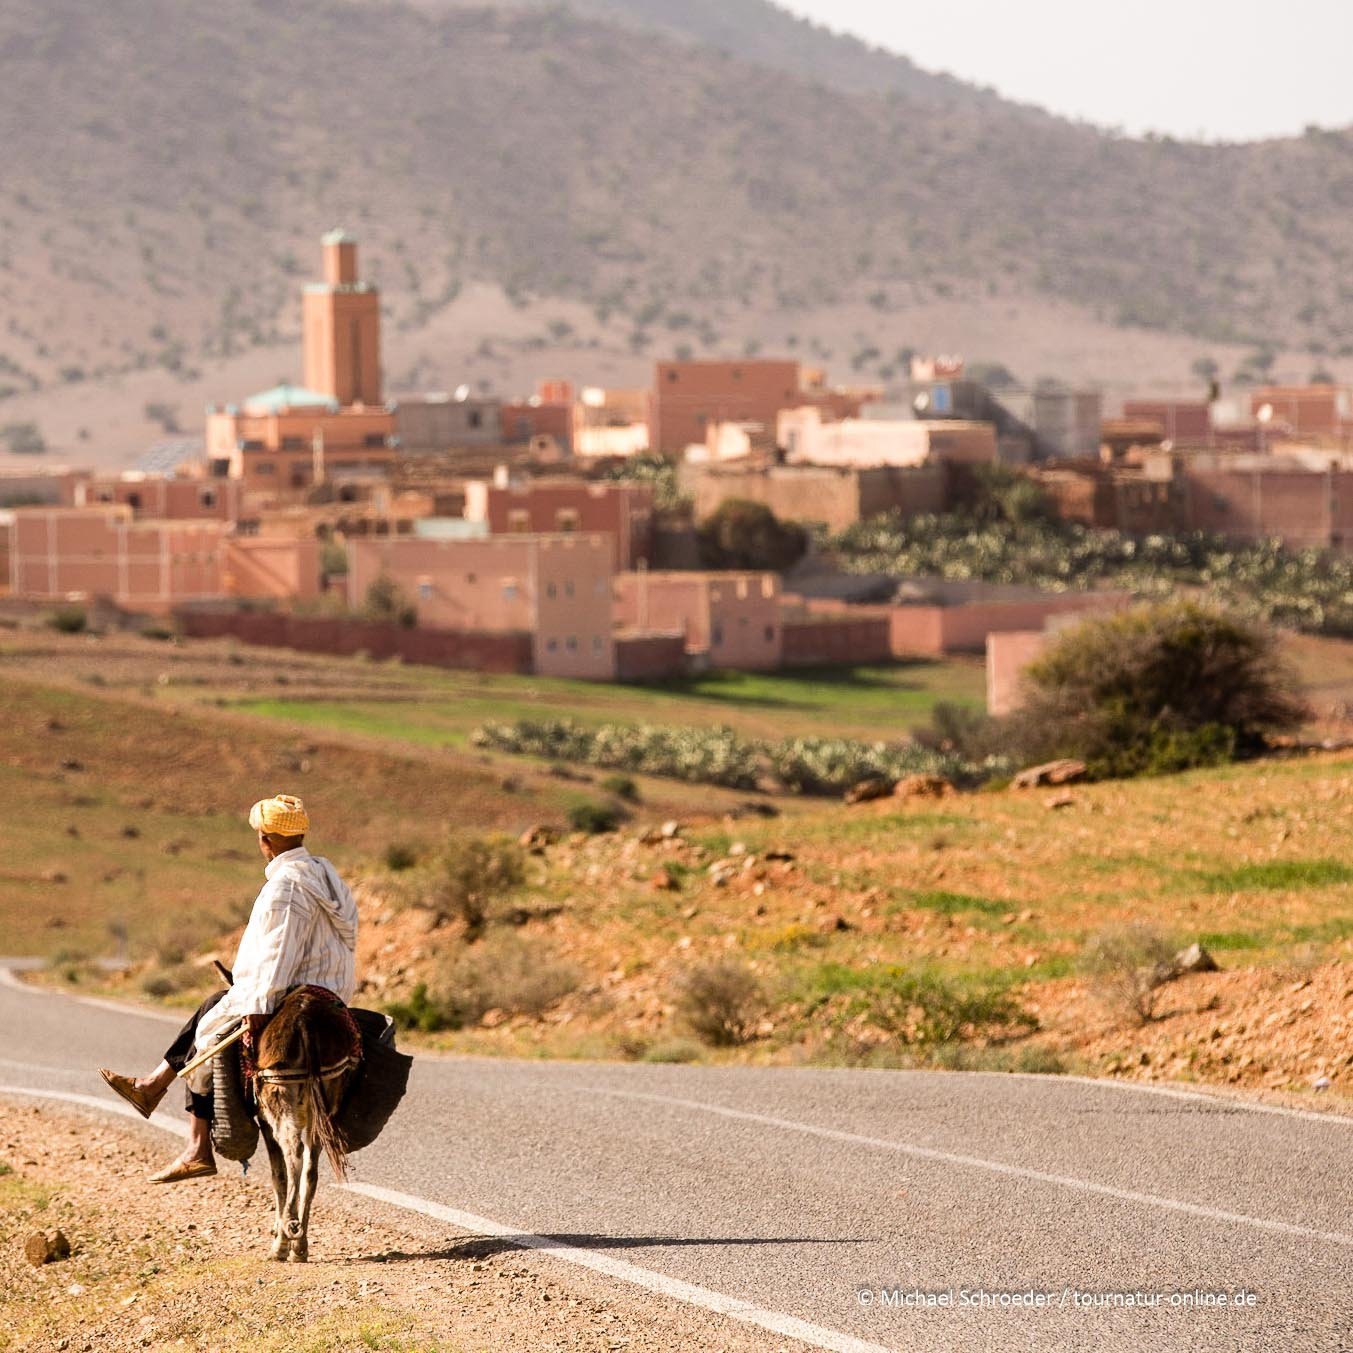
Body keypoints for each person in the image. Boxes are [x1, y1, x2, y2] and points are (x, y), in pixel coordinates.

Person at [99, 793, 359, 1183]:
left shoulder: (285, 887)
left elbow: (278, 952)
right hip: (332, 991)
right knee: (215, 1006)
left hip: (289, 990)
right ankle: (153, 1087)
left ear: (266, 840)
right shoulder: (327, 877)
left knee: (208, 1038)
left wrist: (256, 1004)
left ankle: (194, 1143)